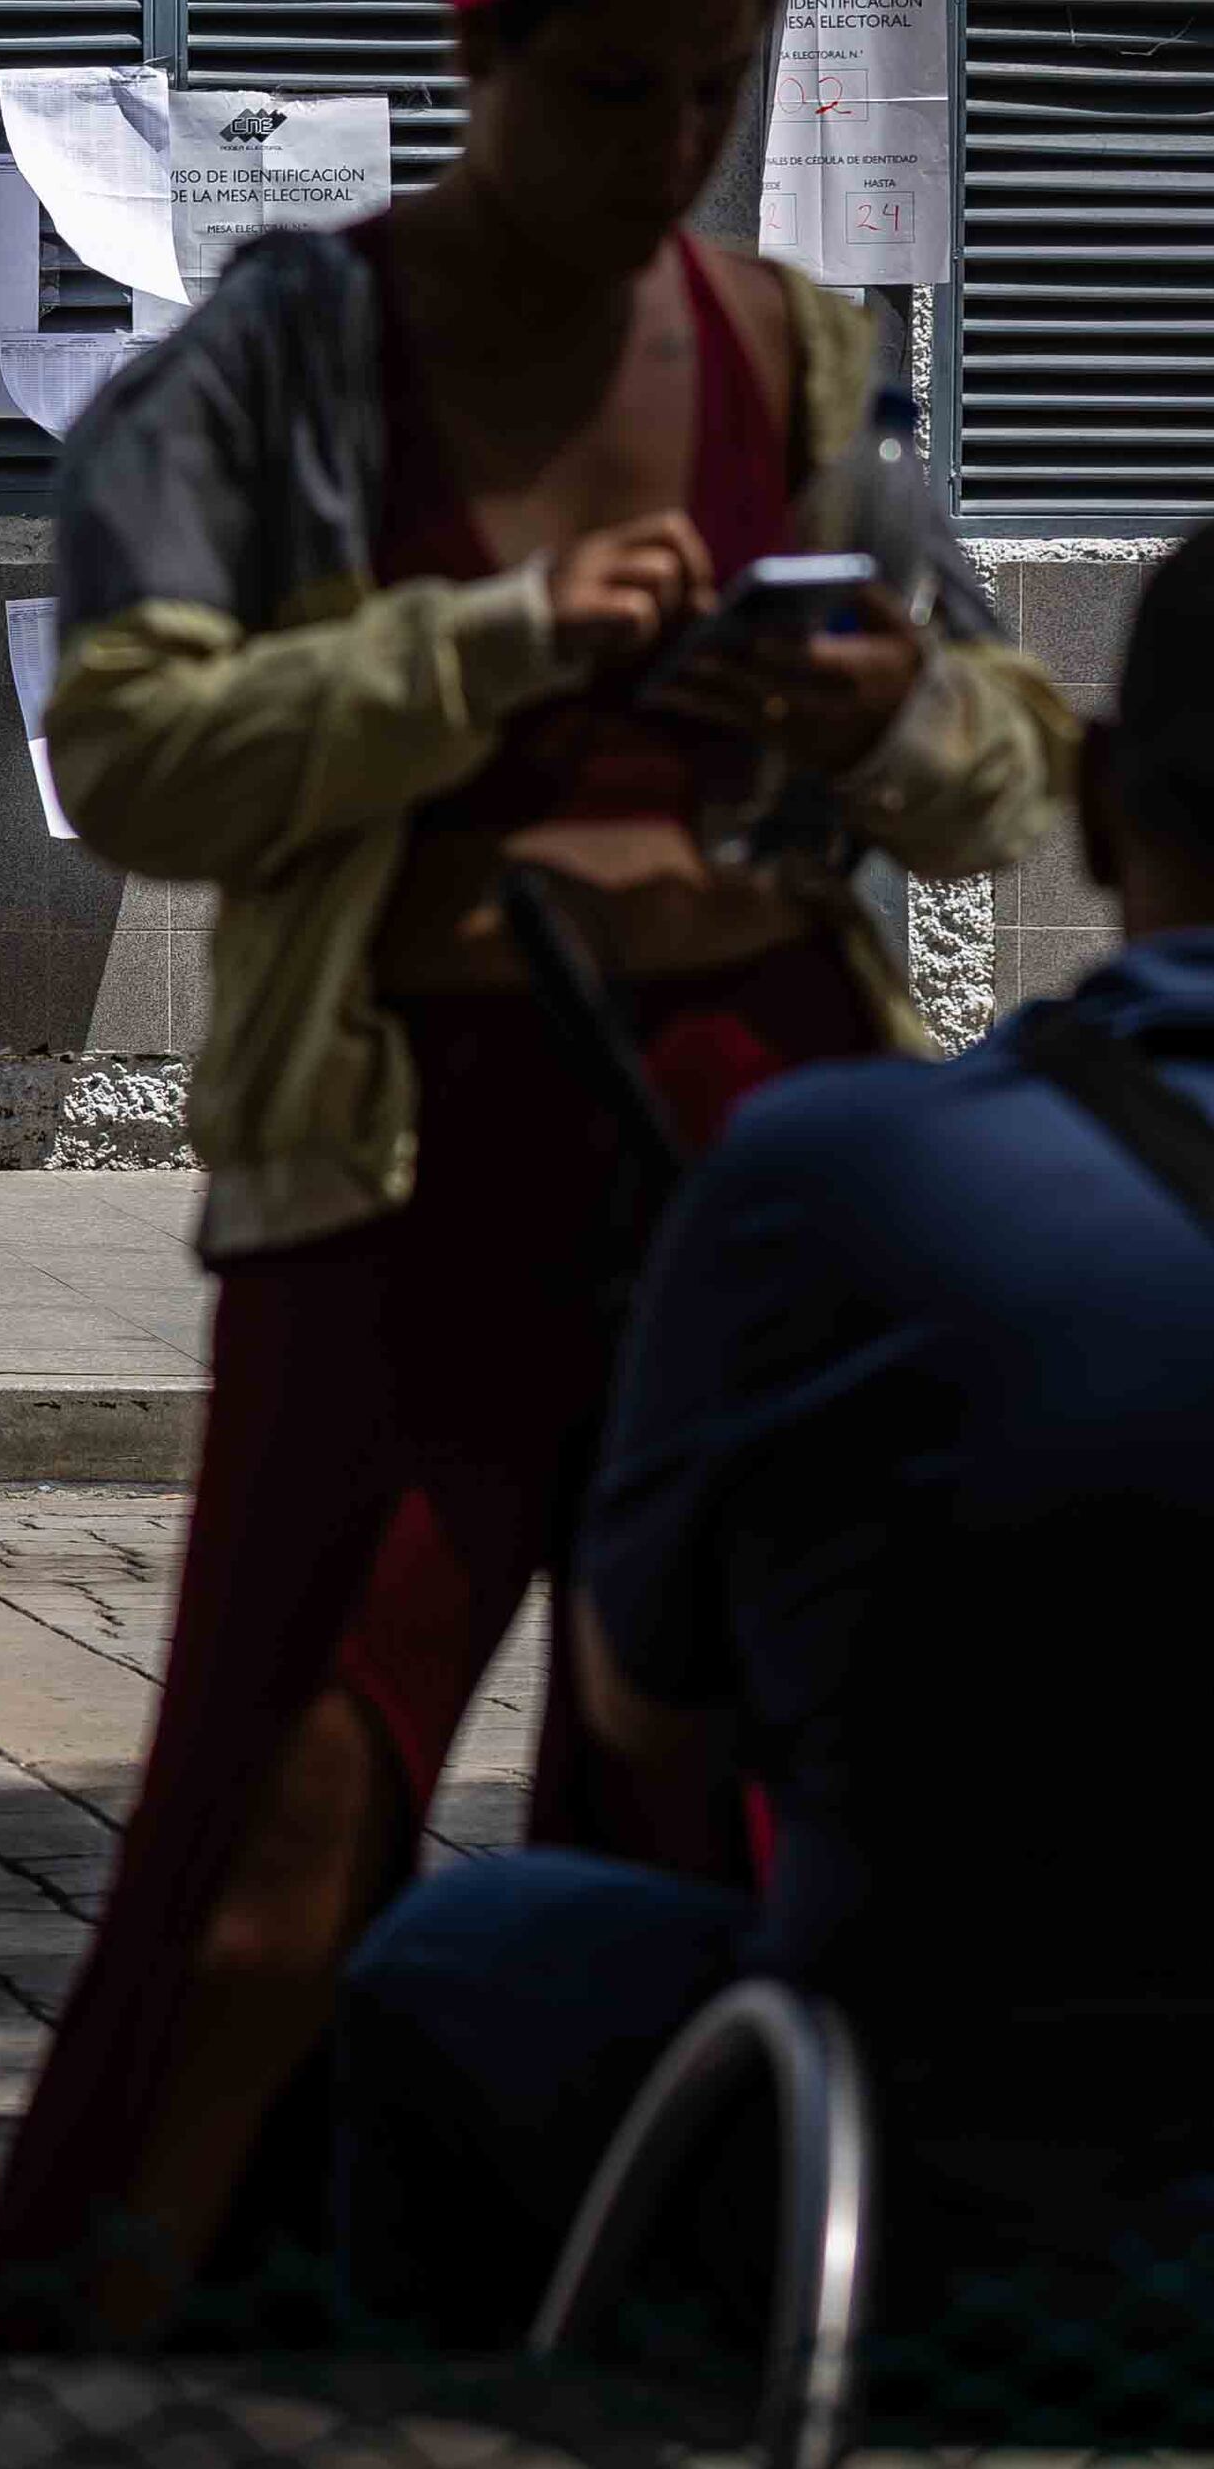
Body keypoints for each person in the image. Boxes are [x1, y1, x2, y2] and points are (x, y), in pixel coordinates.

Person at [0, 0, 1079, 2345]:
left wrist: (875, 716)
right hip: (404, 1175)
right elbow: (134, 753)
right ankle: (114, 2324)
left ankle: (679, 2307)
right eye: (614, 91)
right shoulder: (286, 356)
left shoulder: (795, 361)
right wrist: (492, 639)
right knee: (286, 1815)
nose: (673, 147)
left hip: (766, 1156)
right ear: (474, 49)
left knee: (727, 1792)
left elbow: (1013, 758)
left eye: (721, 85)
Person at [335, 524, 1214, 2350]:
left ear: (1109, 799)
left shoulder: (840, 1177)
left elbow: (653, 1699)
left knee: (441, 1963)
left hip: (957, 2188)